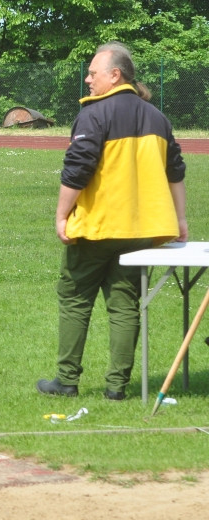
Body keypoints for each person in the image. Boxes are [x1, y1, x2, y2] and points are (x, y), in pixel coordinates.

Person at [37, 41, 187, 400]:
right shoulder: (157, 117)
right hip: (141, 231)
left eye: (92, 73)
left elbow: (78, 168)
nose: (87, 80)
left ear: (114, 75)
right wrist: (180, 219)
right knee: (125, 306)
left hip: (98, 226)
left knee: (74, 298)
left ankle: (66, 380)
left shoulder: (94, 113)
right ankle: (117, 388)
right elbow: (176, 171)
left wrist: (61, 215)